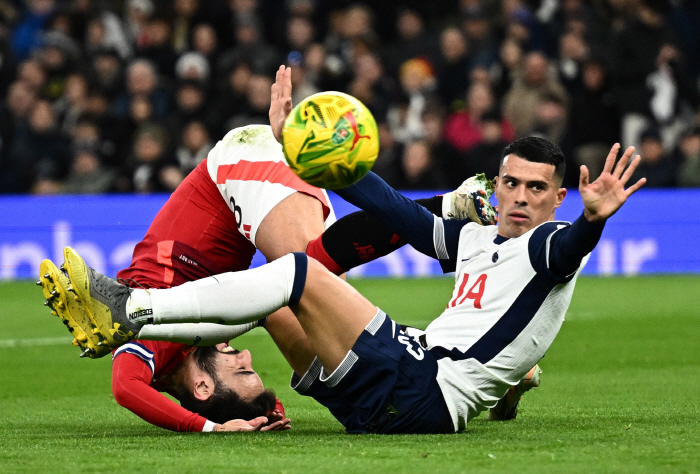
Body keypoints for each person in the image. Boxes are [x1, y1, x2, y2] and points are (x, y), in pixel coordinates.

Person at [43, 134, 646, 434]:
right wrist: (319, 157)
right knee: (279, 304)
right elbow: (396, 214)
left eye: (535, 189)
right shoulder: (480, 239)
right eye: (510, 184)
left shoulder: (548, 243)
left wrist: (592, 222)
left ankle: (133, 309)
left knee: (300, 274)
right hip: (401, 381)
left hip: (420, 388)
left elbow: (569, 247)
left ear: (560, 198)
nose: (518, 197)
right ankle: (514, 377)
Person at [39, 66, 495, 432]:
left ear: (200, 386)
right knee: (309, 298)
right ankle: (454, 345)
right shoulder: (210, 336)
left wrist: (207, 429)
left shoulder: (156, 344)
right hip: (251, 202)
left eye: (239, 371)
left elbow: (125, 390)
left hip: (232, 174)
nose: (245, 357)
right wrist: (266, 405)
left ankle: (446, 214)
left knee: (301, 275)